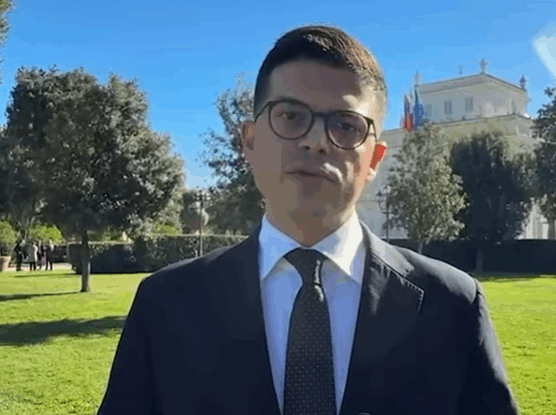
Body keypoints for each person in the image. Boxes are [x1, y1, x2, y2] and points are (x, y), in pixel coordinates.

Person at [97, 25, 519, 415]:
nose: (316, 141)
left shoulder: (452, 305)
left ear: (374, 158)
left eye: (346, 125)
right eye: (291, 116)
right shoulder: (165, 304)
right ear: (249, 141)